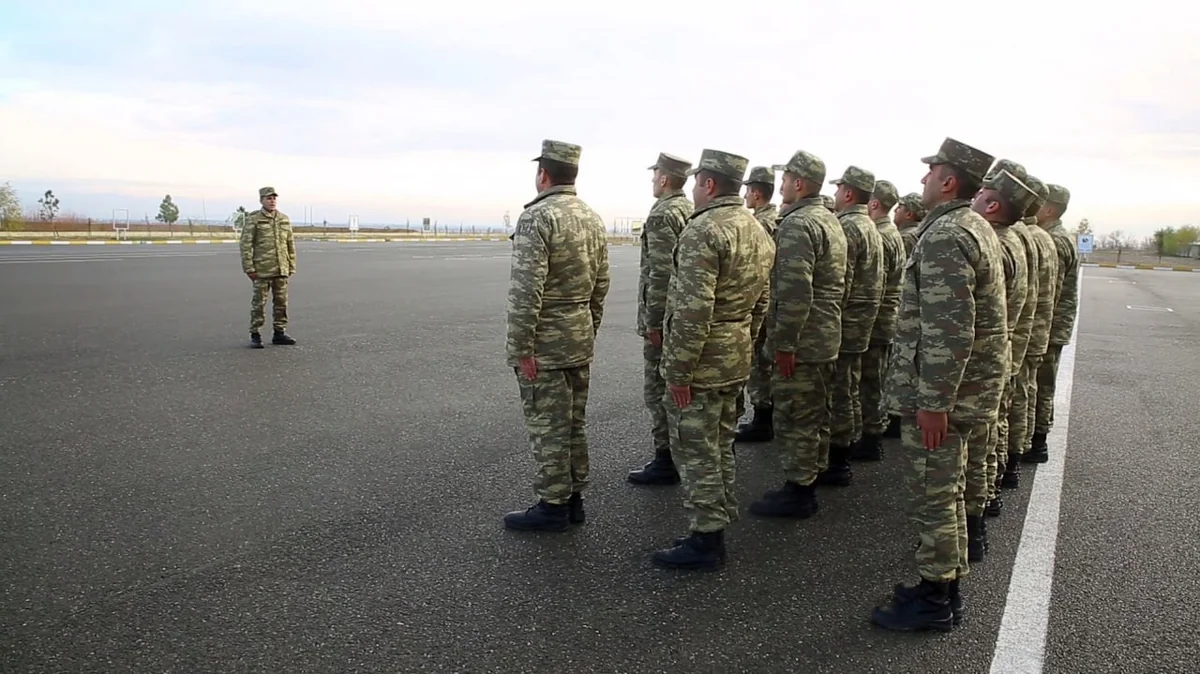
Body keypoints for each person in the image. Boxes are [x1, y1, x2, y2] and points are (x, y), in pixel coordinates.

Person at [873, 137, 1005, 632]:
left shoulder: (949, 234)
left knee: (934, 493)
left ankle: (934, 601)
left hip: (945, 398)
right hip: (958, 393)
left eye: (931, 171)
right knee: (945, 493)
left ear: (949, 180)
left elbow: (951, 328)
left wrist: (934, 402)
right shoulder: (966, 226)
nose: (923, 177)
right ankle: (941, 587)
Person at [653, 149, 773, 570]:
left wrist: (678, 370)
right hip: (734, 351)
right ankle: (717, 522)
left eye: (698, 179)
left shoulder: (704, 230)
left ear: (707, 184)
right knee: (721, 443)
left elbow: (692, 309)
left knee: (696, 447)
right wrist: (746, 341)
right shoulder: (756, 228)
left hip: (702, 358)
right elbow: (762, 302)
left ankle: (706, 538)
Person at [502, 140, 611, 532]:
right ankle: (574, 497)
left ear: (543, 175)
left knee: (548, 424)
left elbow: (526, 290)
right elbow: (601, 283)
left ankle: (552, 505)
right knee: (573, 422)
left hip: (546, 341)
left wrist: (521, 347)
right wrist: (588, 327)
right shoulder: (592, 217)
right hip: (578, 335)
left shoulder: (538, 218)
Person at [748, 150, 846, 520]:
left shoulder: (798, 225)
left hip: (803, 340)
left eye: (786, 178)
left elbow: (794, 292)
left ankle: (799, 489)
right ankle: (811, 476)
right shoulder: (828, 219)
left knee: (795, 416)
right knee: (815, 413)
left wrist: (784, 345)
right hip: (824, 333)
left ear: (799, 183)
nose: (782, 185)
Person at [965, 168, 1034, 561]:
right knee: (983, 442)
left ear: (992, 205)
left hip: (981, 361)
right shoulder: (1007, 242)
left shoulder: (997, 245)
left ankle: (972, 531)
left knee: (975, 449)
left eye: (982, 192)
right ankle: (977, 522)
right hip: (997, 356)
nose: (974, 195)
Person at [628, 153, 695, 487]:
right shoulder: (689, 209)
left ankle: (666, 458)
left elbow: (661, 274)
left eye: (655, 174)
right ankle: (684, 453)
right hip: (685, 318)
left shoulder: (664, 214)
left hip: (666, 319)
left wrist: (654, 323)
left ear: (665, 178)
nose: (653, 179)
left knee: (658, 390)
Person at [820, 166, 884, 485]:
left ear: (848, 193)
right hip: (863, 321)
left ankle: (837, 458)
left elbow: (841, 282)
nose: (835, 195)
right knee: (852, 385)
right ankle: (850, 445)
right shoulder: (869, 225)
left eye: (838, 189)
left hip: (846, 323)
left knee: (840, 390)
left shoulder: (847, 227)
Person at [1028, 183, 1079, 463]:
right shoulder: (1055, 235)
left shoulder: (1056, 241)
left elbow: (1050, 291)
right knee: (1041, 383)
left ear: (1048, 209)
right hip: (1049, 325)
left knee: (1041, 384)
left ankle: (1038, 442)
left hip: (1049, 325)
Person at [854, 179, 904, 461]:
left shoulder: (882, 236)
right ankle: (873, 429)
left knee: (870, 380)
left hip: (878, 318)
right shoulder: (890, 232)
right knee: (876, 377)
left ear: (874, 203)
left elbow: (875, 284)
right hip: (886, 317)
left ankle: (871, 436)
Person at [734, 165, 781, 443]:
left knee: (760, 365)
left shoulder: (760, 223)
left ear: (756, 192)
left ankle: (763, 419)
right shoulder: (775, 218)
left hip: (762, 302)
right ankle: (765, 417)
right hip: (771, 300)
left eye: (748, 190)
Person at [1018, 176, 1058, 467]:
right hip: (1040, 326)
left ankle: (1024, 449)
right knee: (1030, 389)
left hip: (1032, 329)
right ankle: (1025, 446)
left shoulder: (1033, 237)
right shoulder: (1045, 238)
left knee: (1026, 392)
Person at [883, 192, 927, 439]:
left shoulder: (909, 237)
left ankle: (894, 420)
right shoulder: (911, 235)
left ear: (909, 213)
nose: (895, 211)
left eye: (900, 207)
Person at [239, 186, 297, 348]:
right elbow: (245, 245)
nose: (272, 201)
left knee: (281, 303)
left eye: (274, 198)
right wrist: (249, 268)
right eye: (268, 198)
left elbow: (290, 244)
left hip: (281, 269)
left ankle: (279, 332)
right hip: (262, 270)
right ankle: (255, 333)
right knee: (259, 304)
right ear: (261, 200)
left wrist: (291, 265)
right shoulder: (254, 219)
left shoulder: (283, 219)